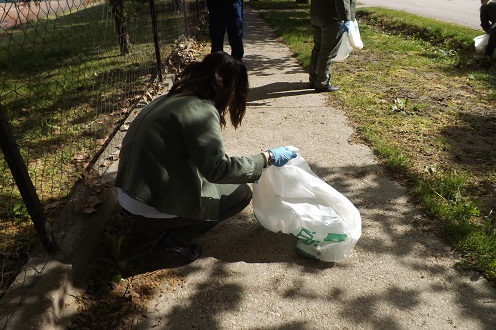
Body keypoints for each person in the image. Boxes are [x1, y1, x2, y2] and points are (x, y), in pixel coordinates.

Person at [114, 52, 297, 265]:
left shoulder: (173, 98)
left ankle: (167, 225)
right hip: (147, 206)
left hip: (130, 195)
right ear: (228, 87)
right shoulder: (201, 110)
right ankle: (172, 242)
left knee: (212, 186)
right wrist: (266, 158)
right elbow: (218, 170)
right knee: (239, 194)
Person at [309, 0, 356, 92]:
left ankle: (314, 79)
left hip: (316, 15)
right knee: (327, 51)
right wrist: (346, 18)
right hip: (332, 18)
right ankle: (322, 83)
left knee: (318, 48)